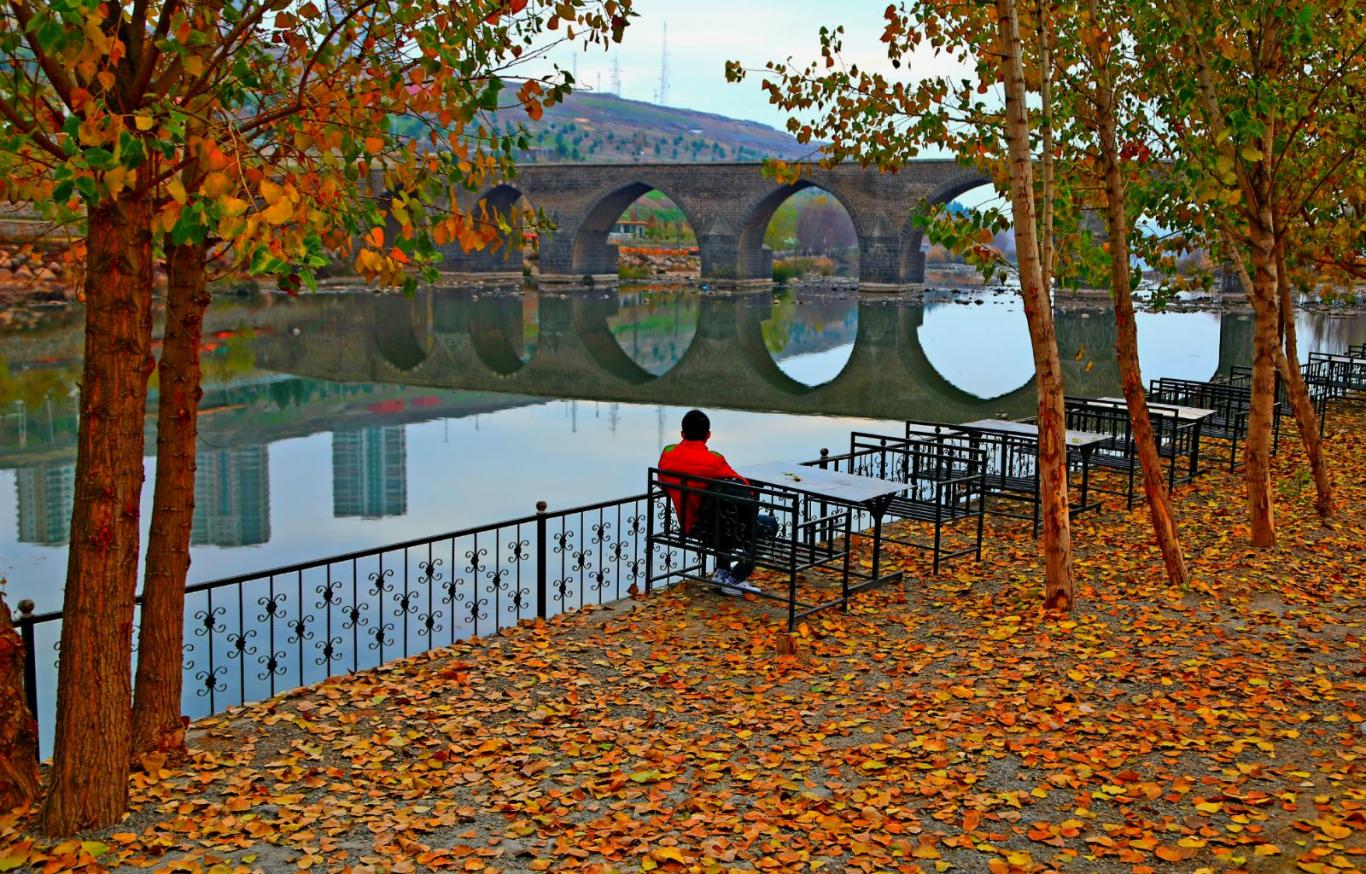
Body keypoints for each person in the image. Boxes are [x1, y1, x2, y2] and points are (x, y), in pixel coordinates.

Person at [657, 409, 778, 596]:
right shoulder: (714, 460)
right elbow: (746, 488)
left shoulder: (668, 454)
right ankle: (735, 579)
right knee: (768, 524)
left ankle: (722, 573)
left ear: (682, 434)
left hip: (689, 526)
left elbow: (664, 483)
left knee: (722, 514)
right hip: (712, 527)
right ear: (708, 435)